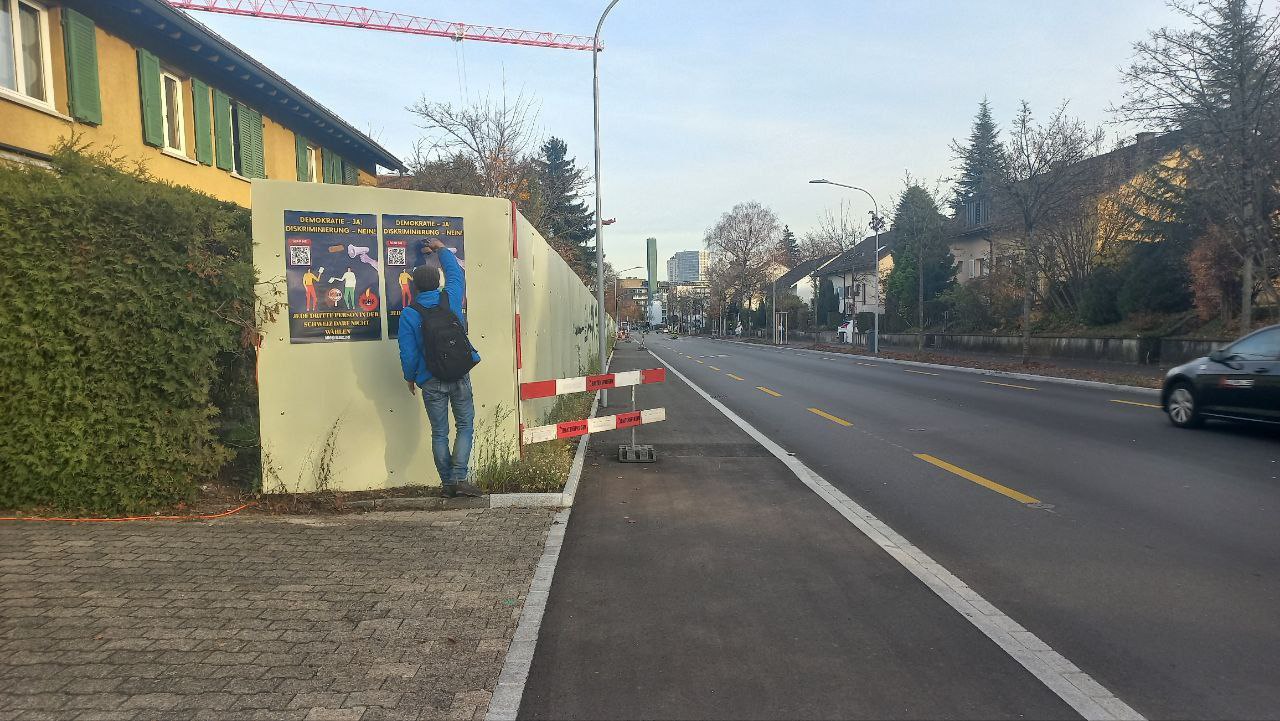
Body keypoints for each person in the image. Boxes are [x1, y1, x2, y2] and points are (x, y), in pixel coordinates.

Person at [398, 241, 483, 498]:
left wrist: (410, 378)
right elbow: (457, 274)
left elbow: (408, 352)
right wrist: (441, 248)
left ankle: (448, 484)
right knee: (465, 425)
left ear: (414, 286)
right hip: (459, 374)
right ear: (438, 281)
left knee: (439, 433)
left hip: (430, 379)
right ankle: (459, 477)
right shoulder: (451, 297)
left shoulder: (409, 314)